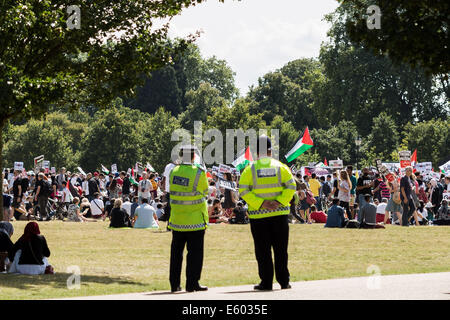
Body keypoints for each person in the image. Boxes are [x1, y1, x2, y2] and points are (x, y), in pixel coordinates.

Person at [239, 136, 296, 291]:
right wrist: (279, 201)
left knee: (263, 251)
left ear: (256, 152)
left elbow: (243, 190)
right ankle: (284, 281)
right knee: (281, 250)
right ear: (271, 151)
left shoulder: (250, 169)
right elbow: (291, 186)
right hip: (279, 215)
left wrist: (261, 203)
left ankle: (266, 282)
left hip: (259, 217)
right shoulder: (281, 167)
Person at [168, 145, 209, 293]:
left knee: (176, 254)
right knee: (195, 254)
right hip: (195, 220)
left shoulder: (173, 171)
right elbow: (205, 190)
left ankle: (174, 284)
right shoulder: (199, 172)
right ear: (193, 156)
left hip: (177, 219)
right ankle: (192, 283)